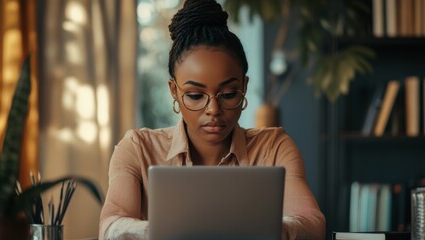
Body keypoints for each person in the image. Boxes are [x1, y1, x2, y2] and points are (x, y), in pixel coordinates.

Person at [99, 0, 325, 239]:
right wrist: (166, 231)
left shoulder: (274, 148)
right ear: (174, 91)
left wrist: (269, 227)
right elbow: (110, 225)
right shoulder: (137, 149)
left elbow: (312, 223)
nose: (214, 109)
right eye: (195, 96)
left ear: (244, 87)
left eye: (228, 94)